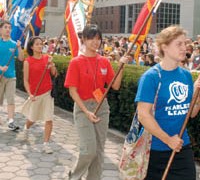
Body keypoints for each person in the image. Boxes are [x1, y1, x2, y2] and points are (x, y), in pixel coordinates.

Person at [135, 26, 200, 180]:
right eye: (179, 44)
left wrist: (198, 93)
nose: (184, 48)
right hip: (155, 150)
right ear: (164, 46)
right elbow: (143, 115)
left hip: (181, 147)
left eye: (185, 43)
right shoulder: (151, 77)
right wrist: (168, 140)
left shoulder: (185, 75)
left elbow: (191, 113)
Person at [64, 24, 128, 180]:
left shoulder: (104, 61)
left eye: (98, 38)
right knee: (88, 150)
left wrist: (121, 66)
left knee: (99, 150)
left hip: (101, 108)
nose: (95, 42)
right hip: (83, 108)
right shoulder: (76, 62)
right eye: (91, 38)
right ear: (84, 40)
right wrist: (86, 111)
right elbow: (72, 91)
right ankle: (75, 176)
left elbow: (115, 85)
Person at [21, 36, 57, 154]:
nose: (40, 46)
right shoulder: (28, 61)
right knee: (33, 119)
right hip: (35, 95)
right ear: (31, 47)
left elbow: (54, 74)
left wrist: (52, 65)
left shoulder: (47, 58)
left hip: (47, 93)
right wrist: (29, 93)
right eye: (37, 44)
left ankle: (45, 144)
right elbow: (25, 80)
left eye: (41, 44)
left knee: (49, 119)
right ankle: (26, 128)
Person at [0, 20, 24, 130]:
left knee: (11, 100)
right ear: (1, 29)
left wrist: (19, 47)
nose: (8, 29)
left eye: (9, 28)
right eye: (5, 27)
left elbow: (21, 58)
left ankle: (11, 121)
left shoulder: (14, 44)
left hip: (11, 77)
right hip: (0, 76)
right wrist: (0, 68)